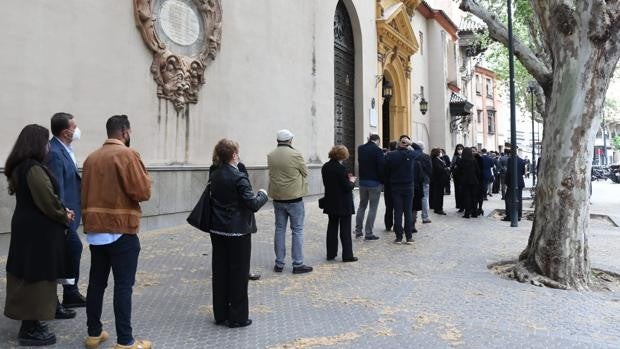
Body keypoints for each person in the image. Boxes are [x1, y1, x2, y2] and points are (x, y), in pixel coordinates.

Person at [82, 115, 152, 349]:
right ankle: (125, 340)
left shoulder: (91, 158)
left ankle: (93, 334)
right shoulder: (128, 155)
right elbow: (142, 192)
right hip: (121, 229)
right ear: (124, 132)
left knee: (96, 283)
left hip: (95, 230)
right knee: (123, 286)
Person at [4, 124, 75, 346]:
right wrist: (64, 214)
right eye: (45, 142)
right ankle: (29, 327)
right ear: (36, 143)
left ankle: (33, 322)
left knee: (30, 273)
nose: (48, 147)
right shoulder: (33, 168)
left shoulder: (23, 166)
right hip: (37, 234)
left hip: (30, 230)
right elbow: (47, 200)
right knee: (36, 275)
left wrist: (61, 211)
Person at [208, 139, 268, 328]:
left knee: (220, 271)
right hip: (238, 231)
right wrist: (263, 194)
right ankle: (238, 317)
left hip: (217, 229)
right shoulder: (239, 177)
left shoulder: (214, 174)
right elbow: (253, 204)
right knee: (239, 274)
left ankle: (220, 314)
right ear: (234, 155)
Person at [45, 112, 85, 320]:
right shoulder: (54, 152)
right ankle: (58, 300)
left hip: (70, 213)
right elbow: (56, 186)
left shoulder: (66, 149)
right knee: (70, 251)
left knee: (70, 252)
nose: (77, 129)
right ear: (65, 131)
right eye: (74, 126)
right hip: (63, 216)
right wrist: (62, 213)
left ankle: (70, 294)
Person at [267, 129, 313, 274]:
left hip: (277, 198)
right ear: (290, 140)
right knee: (297, 230)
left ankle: (279, 263)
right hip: (294, 198)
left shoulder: (271, 155)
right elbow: (305, 172)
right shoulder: (295, 154)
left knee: (279, 229)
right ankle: (298, 263)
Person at [210, 156, 261, 281]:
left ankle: (226, 274)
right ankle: (243, 273)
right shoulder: (239, 171)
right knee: (239, 259)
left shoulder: (214, 170)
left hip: (217, 221)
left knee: (222, 257)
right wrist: (262, 195)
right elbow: (249, 197)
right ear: (233, 155)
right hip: (237, 221)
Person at [321, 145, 358, 262]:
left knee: (332, 227)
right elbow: (347, 187)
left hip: (330, 201)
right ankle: (347, 255)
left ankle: (331, 253)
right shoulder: (341, 169)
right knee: (345, 230)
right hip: (343, 202)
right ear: (343, 155)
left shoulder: (325, 166)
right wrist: (352, 182)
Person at [384, 135, 418, 244]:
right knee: (408, 212)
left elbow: (386, 168)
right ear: (406, 144)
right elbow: (420, 150)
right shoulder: (411, 154)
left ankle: (398, 237)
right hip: (408, 186)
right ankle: (409, 237)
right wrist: (411, 143)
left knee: (397, 212)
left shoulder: (391, 155)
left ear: (399, 143)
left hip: (396, 186)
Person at [354, 134, 384, 240]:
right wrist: (382, 181)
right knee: (372, 208)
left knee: (362, 206)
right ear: (377, 140)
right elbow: (381, 168)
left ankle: (358, 231)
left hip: (363, 182)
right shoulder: (378, 151)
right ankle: (368, 233)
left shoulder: (361, 148)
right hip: (374, 183)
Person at [455, 147, 480, 218]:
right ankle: (474, 213)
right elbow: (478, 171)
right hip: (474, 181)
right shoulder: (474, 160)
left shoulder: (461, 161)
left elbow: (458, 172)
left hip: (465, 181)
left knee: (467, 197)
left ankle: (467, 213)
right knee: (474, 197)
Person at [503, 150, 526, 221]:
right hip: (520, 182)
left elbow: (508, 172)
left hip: (512, 183)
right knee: (519, 199)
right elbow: (522, 172)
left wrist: (506, 182)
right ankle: (518, 215)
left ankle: (509, 216)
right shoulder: (522, 161)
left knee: (508, 199)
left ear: (510, 154)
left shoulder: (510, 160)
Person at [414, 142, 432, 224]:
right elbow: (430, 169)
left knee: (415, 198)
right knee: (424, 198)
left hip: (415, 180)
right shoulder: (426, 156)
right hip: (424, 179)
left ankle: (414, 215)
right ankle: (425, 217)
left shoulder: (413, 155)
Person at [429, 148, 449, 215]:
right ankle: (439, 209)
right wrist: (446, 169)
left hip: (440, 180)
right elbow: (439, 169)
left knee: (439, 195)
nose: (441, 153)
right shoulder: (435, 160)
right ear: (436, 153)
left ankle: (437, 208)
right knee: (439, 195)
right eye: (439, 152)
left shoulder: (439, 159)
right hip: (438, 180)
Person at [383, 141, 397, 231]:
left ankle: (388, 225)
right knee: (397, 207)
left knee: (388, 206)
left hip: (387, 185)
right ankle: (396, 225)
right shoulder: (397, 156)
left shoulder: (385, 157)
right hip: (396, 185)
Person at [451, 144, 465, 212]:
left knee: (464, 192)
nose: (460, 150)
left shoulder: (465, 156)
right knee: (458, 192)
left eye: (461, 148)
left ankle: (465, 205)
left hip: (464, 177)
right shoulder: (455, 157)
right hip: (457, 177)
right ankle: (460, 206)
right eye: (458, 149)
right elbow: (452, 166)